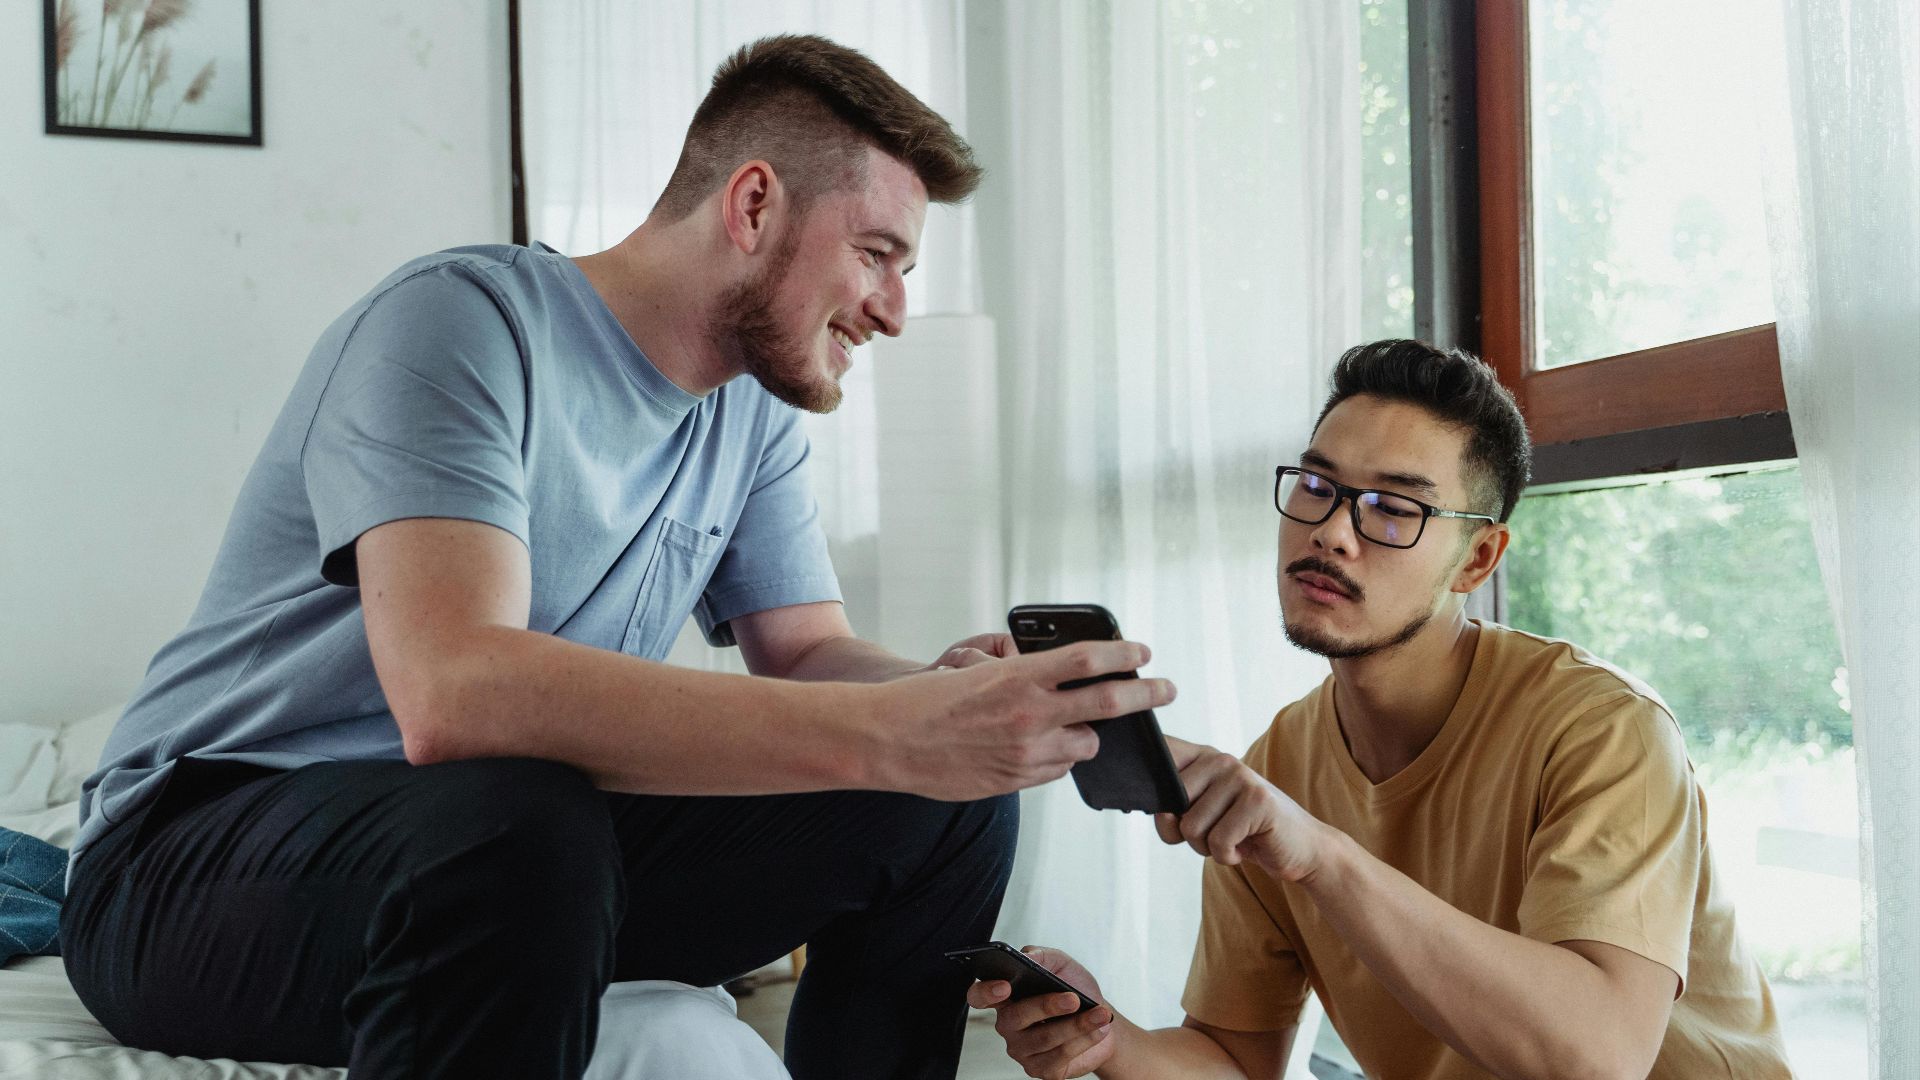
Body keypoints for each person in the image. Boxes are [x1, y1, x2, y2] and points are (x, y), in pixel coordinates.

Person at [61, 34, 1174, 1080]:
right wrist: (900, 731)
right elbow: (454, 697)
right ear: (752, 203)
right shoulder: (464, 324)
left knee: (951, 803)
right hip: (190, 861)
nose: (891, 310)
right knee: (518, 815)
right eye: (878, 254)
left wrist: (955, 701)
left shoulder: (750, 416)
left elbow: (809, 654)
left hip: (508, 851)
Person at [972, 340, 1791, 1079]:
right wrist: (1109, 1038)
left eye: (1394, 509)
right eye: (1320, 486)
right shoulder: (1280, 764)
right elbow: (1233, 1061)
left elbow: (1596, 1057)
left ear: (1477, 558)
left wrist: (1319, 856)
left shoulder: (1603, 729)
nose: (1332, 531)